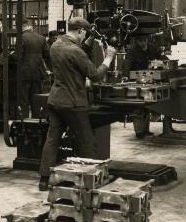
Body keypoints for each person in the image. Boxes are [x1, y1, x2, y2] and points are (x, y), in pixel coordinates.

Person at [38, 17, 116, 191]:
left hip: (56, 100)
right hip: (74, 103)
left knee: (52, 140)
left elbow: (75, 55)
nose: (84, 37)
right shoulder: (75, 51)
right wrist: (108, 58)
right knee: (86, 142)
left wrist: (88, 41)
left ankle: (44, 180)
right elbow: (95, 75)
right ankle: (93, 180)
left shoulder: (56, 45)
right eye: (84, 34)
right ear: (80, 31)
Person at [124, 35, 168, 138]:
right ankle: (139, 132)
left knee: (147, 105)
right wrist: (125, 75)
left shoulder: (152, 48)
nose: (143, 43)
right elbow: (127, 63)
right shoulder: (132, 50)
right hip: (136, 81)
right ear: (137, 41)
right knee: (138, 106)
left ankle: (145, 130)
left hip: (150, 80)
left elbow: (162, 57)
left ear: (147, 39)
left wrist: (169, 64)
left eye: (145, 40)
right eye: (141, 41)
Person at [18, 20, 51, 118]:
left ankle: (24, 121)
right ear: (31, 27)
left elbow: (18, 56)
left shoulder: (21, 38)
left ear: (23, 27)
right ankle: (37, 120)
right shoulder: (41, 38)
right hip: (38, 72)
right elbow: (47, 55)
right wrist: (49, 69)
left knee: (24, 99)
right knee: (36, 98)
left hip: (24, 73)